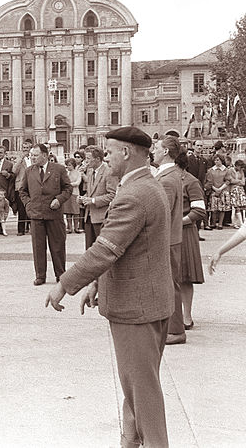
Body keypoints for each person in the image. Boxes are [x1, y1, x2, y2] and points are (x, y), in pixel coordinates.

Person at [45, 126, 173, 448]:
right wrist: (100, 283)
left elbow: (106, 248)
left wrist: (65, 283)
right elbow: (133, 248)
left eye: (111, 151)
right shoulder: (148, 185)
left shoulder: (133, 194)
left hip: (136, 309)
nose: (107, 156)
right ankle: (129, 442)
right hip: (149, 301)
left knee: (142, 393)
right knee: (136, 388)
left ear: (126, 153)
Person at [20, 143, 72, 285]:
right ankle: (40, 276)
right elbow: (22, 191)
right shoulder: (29, 171)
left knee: (57, 246)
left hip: (54, 214)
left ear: (44, 155)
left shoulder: (59, 169)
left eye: (35, 155)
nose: (32, 157)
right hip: (36, 215)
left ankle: (60, 275)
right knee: (38, 247)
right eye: (31, 155)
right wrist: (28, 205)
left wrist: (59, 200)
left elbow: (68, 188)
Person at [153, 136, 186, 346]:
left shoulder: (167, 178)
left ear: (165, 151)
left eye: (156, 148)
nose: (153, 151)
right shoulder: (170, 175)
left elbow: (161, 214)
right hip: (171, 238)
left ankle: (176, 329)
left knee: (169, 284)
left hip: (167, 239)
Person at [176, 149, 206, 330]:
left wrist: (180, 221)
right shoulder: (163, 180)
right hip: (169, 233)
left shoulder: (191, 181)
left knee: (185, 278)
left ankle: (187, 317)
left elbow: (199, 211)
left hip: (185, 232)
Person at [78, 145, 117, 250]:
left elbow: (113, 195)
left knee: (102, 251)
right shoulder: (90, 171)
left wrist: (94, 201)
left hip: (102, 218)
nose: (85, 162)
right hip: (89, 217)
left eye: (88, 159)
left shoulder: (109, 172)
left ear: (98, 159)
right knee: (89, 251)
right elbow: (91, 192)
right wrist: (83, 198)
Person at [12, 142, 33, 235]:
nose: (25, 149)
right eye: (24, 147)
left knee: (32, 207)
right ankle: (21, 230)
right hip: (21, 186)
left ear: (30, 148)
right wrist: (21, 159)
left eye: (27, 148)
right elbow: (14, 171)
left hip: (32, 185)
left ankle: (31, 228)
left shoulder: (33, 158)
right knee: (21, 209)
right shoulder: (18, 159)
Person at [205, 155, 230, 230]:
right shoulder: (210, 170)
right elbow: (209, 181)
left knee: (222, 208)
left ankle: (220, 224)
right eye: (215, 160)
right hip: (213, 190)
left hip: (223, 190)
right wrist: (215, 189)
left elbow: (228, 180)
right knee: (213, 208)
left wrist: (220, 189)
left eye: (218, 160)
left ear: (222, 160)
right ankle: (213, 223)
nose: (216, 161)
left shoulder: (226, 170)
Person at [62, 159, 82, 234]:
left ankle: (76, 227)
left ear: (73, 165)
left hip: (75, 193)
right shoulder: (66, 173)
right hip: (67, 193)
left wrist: (69, 184)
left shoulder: (78, 173)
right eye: (67, 165)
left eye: (69, 165)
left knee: (75, 211)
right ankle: (69, 228)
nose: (68, 166)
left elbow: (77, 182)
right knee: (68, 211)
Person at [229, 159, 246, 228]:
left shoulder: (241, 172)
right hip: (233, 190)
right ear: (236, 165)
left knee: (242, 207)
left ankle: (240, 222)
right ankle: (237, 223)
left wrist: (238, 181)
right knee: (236, 207)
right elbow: (231, 180)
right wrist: (238, 181)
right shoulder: (230, 170)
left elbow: (243, 182)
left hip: (240, 190)